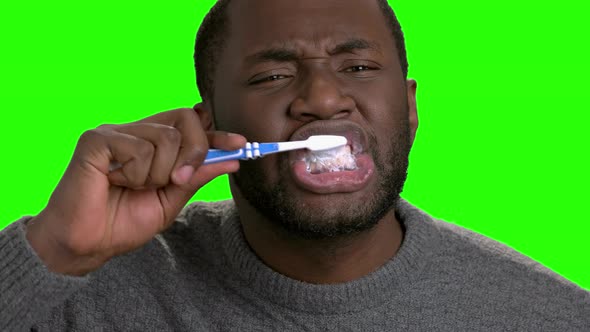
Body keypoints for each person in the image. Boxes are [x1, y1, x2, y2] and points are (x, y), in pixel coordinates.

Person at [1, 0, 588, 330]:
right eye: (271, 76)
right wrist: (55, 249)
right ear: (209, 127)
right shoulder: (78, 291)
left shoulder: (552, 317)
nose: (323, 100)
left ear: (409, 110)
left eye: (357, 68)